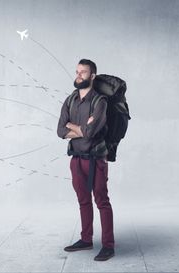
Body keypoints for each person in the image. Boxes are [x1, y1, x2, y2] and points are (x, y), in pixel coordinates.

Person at [57, 59, 115, 261]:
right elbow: (59, 131)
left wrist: (72, 126)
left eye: (83, 72)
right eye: (77, 71)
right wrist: (81, 127)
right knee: (83, 200)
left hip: (96, 160)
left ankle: (108, 245)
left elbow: (91, 134)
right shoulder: (70, 100)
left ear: (92, 76)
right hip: (76, 159)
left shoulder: (100, 101)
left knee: (101, 201)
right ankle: (86, 239)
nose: (79, 75)